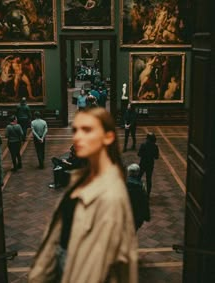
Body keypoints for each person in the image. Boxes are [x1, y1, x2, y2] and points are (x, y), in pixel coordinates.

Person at [28, 107, 138, 283]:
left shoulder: (111, 195)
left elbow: (120, 259)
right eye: (76, 130)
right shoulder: (81, 179)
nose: (78, 137)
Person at [126, 163, 150, 231]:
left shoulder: (122, 183)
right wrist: (146, 216)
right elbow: (144, 201)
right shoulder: (141, 186)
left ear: (129, 172)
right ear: (137, 173)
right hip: (136, 216)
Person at [138, 132, 159, 197]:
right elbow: (156, 157)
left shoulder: (143, 145)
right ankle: (148, 194)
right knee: (149, 179)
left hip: (143, 163)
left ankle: (137, 192)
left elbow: (139, 154)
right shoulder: (155, 146)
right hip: (150, 164)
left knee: (138, 178)